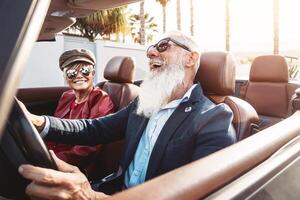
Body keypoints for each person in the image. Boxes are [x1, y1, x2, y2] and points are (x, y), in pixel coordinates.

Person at [19, 31, 236, 199]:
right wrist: (40, 122)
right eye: (150, 48)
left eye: (162, 46)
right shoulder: (145, 103)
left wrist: (92, 197)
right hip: (113, 190)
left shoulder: (213, 118)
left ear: (191, 59)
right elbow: (95, 129)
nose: (151, 53)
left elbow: (197, 193)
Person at [47, 49, 114, 175]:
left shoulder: (101, 99)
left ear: (93, 73)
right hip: (54, 156)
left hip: (75, 167)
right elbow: (55, 130)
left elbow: (89, 147)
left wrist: (52, 160)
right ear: (65, 77)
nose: (79, 76)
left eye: (85, 71)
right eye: (72, 72)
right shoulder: (66, 96)